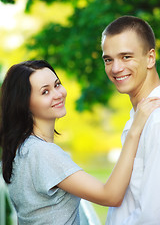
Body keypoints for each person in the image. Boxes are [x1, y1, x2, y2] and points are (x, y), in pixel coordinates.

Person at [0, 60, 160, 225]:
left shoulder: (22, 150)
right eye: (45, 92)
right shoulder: (42, 153)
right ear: (24, 104)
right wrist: (135, 128)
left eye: (57, 84)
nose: (58, 94)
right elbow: (110, 195)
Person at [102, 15, 160, 224]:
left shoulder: (156, 120)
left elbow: (153, 215)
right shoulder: (138, 117)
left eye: (126, 57)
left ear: (150, 58)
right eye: (108, 59)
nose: (115, 68)